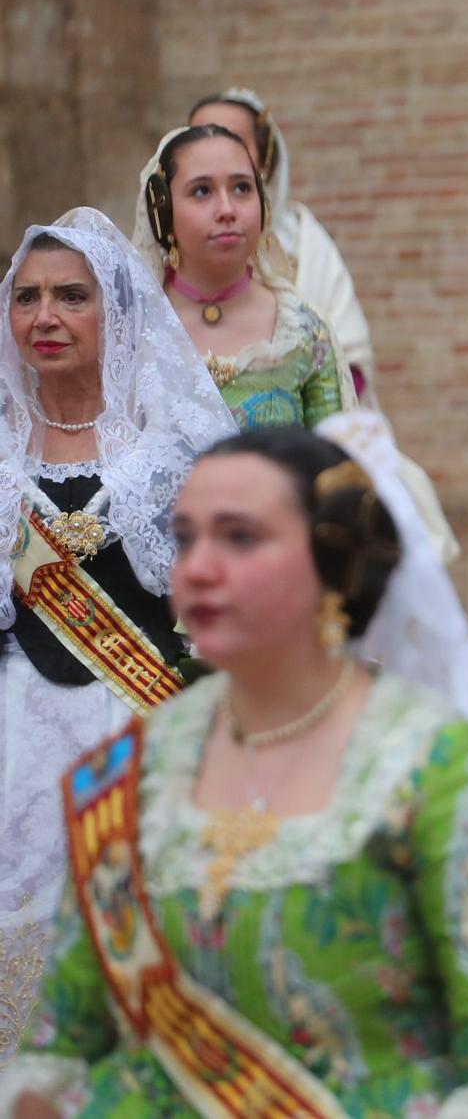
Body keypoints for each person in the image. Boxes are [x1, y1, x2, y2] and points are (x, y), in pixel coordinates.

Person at [0, 414, 468, 1117]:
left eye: (240, 536)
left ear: (333, 559)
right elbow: (63, 1040)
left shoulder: (436, 764)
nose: (195, 566)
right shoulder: (128, 769)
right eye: (186, 536)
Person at [0, 209, 239, 1070]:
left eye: (72, 295)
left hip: (142, 726)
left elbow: (234, 590)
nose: (45, 317)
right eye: (26, 297)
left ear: (117, 311)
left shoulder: (171, 443)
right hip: (18, 741)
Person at [130, 125, 352, 427]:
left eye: (242, 189)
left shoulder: (302, 332)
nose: (226, 209)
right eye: (202, 191)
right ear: (163, 209)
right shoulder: (131, 331)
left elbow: (335, 467)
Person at [186, 89, 376, 400]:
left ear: (264, 161)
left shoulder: (303, 241)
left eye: (231, 139)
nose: (215, 151)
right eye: (199, 138)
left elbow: (350, 361)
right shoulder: (162, 259)